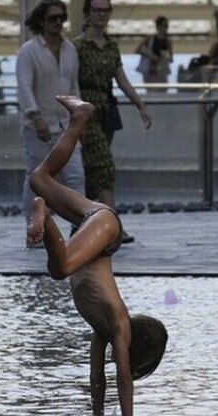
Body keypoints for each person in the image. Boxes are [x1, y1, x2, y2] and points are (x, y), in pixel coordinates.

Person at [25, 95, 168, 416]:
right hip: (105, 228)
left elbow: (97, 377)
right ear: (139, 351)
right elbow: (121, 379)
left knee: (39, 178)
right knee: (60, 269)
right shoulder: (118, 324)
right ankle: (43, 216)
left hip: (97, 222)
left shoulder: (101, 331)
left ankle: (79, 117)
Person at [75, 0, 152, 243]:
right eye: (97, 10)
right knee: (104, 166)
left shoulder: (111, 46)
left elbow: (120, 78)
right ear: (87, 13)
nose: (102, 15)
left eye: (106, 10)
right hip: (86, 112)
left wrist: (139, 103)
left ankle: (90, 223)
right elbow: (69, 80)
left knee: (95, 170)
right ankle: (113, 226)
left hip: (106, 109)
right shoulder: (77, 46)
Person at [16, 0, 85, 235]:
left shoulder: (70, 50)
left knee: (76, 176)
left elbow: (73, 86)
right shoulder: (29, 51)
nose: (57, 23)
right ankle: (32, 226)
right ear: (41, 22)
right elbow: (24, 87)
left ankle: (80, 226)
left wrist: (79, 118)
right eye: (52, 18)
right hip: (39, 126)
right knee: (36, 178)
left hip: (66, 125)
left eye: (61, 18)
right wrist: (35, 117)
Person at [136, 16, 173, 90]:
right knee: (151, 91)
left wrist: (166, 57)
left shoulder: (168, 40)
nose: (165, 28)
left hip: (162, 70)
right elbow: (138, 50)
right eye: (163, 25)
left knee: (163, 91)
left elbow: (171, 58)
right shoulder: (150, 38)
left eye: (166, 25)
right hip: (150, 70)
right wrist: (151, 55)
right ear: (157, 26)